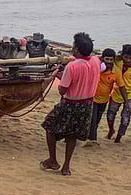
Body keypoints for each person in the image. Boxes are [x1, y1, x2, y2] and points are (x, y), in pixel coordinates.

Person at [40, 32, 100, 176]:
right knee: (72, 135)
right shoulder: (96, 61)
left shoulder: (72, 67)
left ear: (77, 49)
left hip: (70, 102)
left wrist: (58, 75)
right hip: (87, 104)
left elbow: (62, 90)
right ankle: (66, 167)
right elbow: (86, 62)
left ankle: (53, 159)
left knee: (49, 126)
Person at [85, 48, 124, 146]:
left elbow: (122, 86)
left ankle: (89, 136)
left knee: (97, 120)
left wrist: (126, 101)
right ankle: (93, 140)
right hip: (92, 98)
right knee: (92, 120)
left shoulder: (116, 72)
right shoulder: (97, 67)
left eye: (111, 60)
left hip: (104, 100)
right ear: (102, 59)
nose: (109, 62)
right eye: (107, 59)